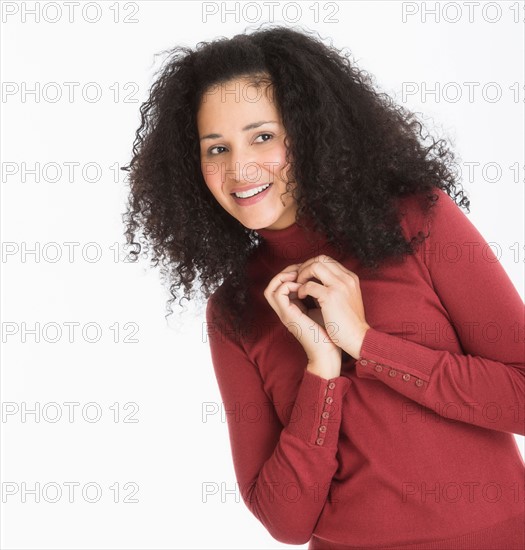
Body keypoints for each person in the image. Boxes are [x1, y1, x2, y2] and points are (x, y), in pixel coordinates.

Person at [122, 25, 524, 549]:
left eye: (262, 136)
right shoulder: (236, 309)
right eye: (215, 148)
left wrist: (367, 344)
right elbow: (284, 522)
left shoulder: (416, 221)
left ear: (310, 131)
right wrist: (323, 370)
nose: (239, 168)